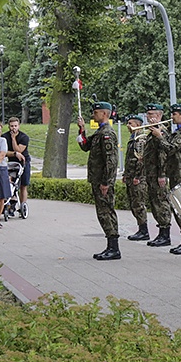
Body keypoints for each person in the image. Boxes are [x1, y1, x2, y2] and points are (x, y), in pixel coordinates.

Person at [77, 101, 121, 260]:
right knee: (102, 212)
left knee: (106, 212)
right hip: (97, 179)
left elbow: (111, 161)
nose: (93, 115)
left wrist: (106, 182)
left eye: (96, 113)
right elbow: (85, 146)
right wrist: (81, 129)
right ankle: (110, 246)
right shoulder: (100, 132)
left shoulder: (107, 133)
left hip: (103, 181)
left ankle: (114, 248)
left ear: (104, 114)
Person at [150, 103, 181, 255]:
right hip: (174, 173)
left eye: (174, 114)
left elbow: (170, 148)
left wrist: (159, 136)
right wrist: (158, 131)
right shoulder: (176, 133)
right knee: (178, 209)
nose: (171, 117)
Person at [141, 103, 173, 247]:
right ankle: (161, 231)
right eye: (148, 114)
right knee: (155, 204)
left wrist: (162, 174)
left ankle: (165, 234)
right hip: (151, 173)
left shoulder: (161, 132)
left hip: (158, 174)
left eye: (152, 114)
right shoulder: (151, 132)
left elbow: (163, 155)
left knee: (161, 203)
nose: (149, 117)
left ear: (159, 116)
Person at [123, 115, 150, 241]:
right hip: (130, 176)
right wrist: (125, 175)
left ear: (138, 125)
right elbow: (129, 159)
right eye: (128, 123)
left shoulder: (141, 139)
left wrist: (138, 176)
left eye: (131, 123)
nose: (128, 125)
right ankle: (140, 228)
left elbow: (141, 159)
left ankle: (144, 230)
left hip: (138, 178)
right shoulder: (132, 138)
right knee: (133, 204)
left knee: (139, 204)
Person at [5, 117, 30, 217]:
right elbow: (4, 152)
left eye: (15, 126)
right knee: (11, 185)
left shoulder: (24, 137)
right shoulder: (4, 137)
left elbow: (19, 150)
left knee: (23, 185)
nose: (13, 128)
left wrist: (13, 139)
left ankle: (22, 205)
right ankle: (11, 204)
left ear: (18, 126)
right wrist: (13, 154)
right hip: (11, 163)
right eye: (11, 126)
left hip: (23, 163)